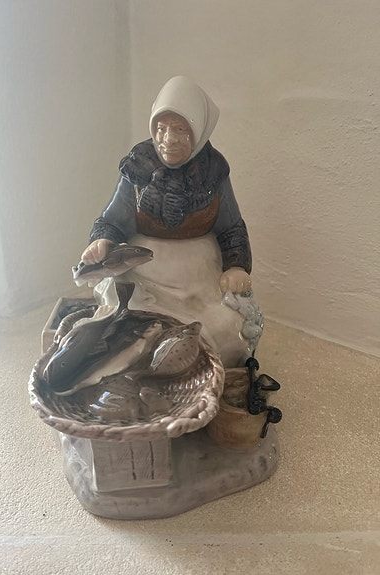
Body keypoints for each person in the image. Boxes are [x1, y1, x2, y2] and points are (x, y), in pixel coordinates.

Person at [80, 76, 260, 368]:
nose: (169, 139)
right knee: (125, 317)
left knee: (224, 327)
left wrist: (237, 266)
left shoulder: (213, 172)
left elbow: (231, 227)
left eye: (180, 129)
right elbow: (112, 219)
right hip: (143, 270)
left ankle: (190, 368)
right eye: (161, 128)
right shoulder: (137, 167)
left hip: (197, 276)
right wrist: (103, 240)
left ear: (199, 130)